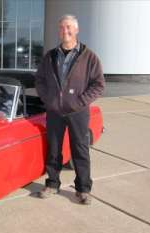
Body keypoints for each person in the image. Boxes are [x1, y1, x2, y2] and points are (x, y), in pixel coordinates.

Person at [35, 14, 105, 205]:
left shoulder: (89, 57)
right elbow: (39, 80)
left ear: (76, 30)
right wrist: (48, 99)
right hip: (55, 112)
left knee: (80, 150)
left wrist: (79, 102)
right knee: (54, 149)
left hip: (78, 112)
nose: (64, 31)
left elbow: (98, 85)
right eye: (61, 28)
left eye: (68, 27)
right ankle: (52, 183)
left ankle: (83, 189)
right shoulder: (50, 56)